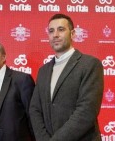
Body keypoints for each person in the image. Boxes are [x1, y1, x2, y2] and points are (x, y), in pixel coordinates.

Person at [29, 13, 104, 141]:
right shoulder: (43, 71)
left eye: (61, 29)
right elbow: (35, 109)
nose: (55, 35)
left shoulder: (90, 64)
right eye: (51, 31)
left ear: (73, 34)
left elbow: (86, 111)